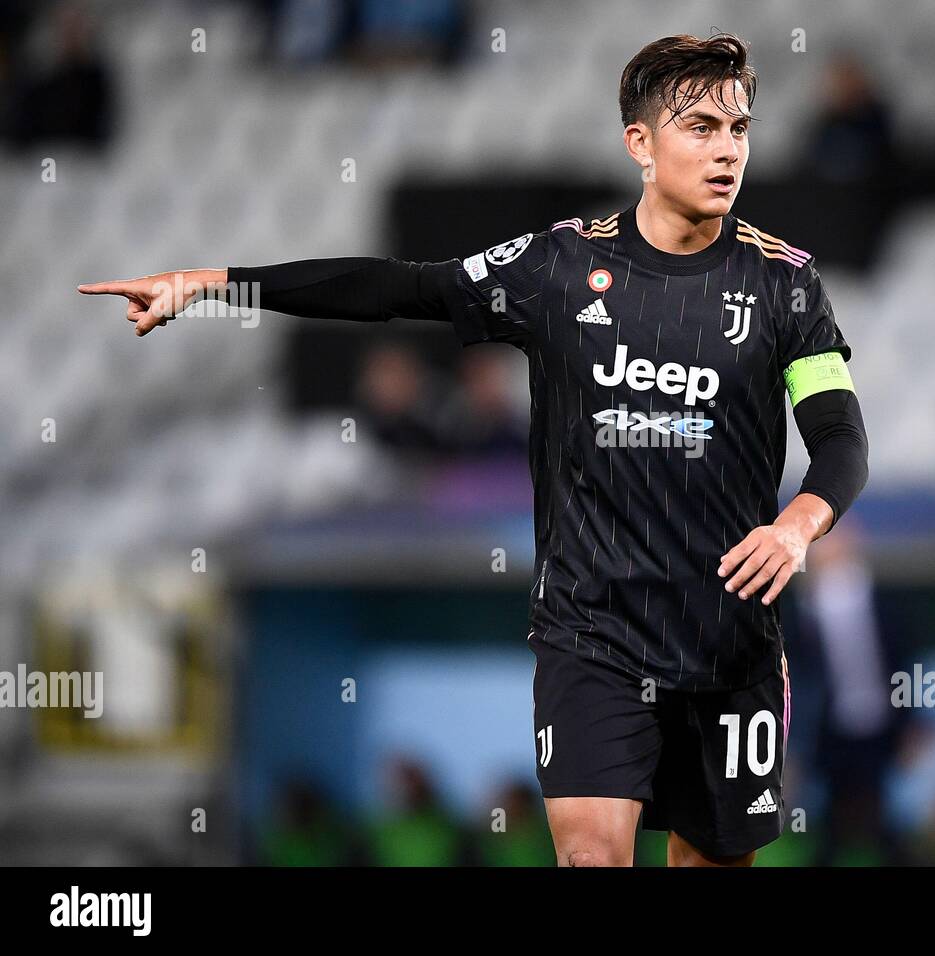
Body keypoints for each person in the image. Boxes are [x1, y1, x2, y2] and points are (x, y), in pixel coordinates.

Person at [77, 33, 870, 867]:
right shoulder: (560, 267)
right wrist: (219, 282)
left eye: (738, 129)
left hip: (730, 643)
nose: (726, 150)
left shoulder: (785, 284)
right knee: (591, 858)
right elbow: (399, 288)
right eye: (701, 127)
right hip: (591, 635)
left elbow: (841, 437)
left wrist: (799, 526)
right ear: (639, 142)